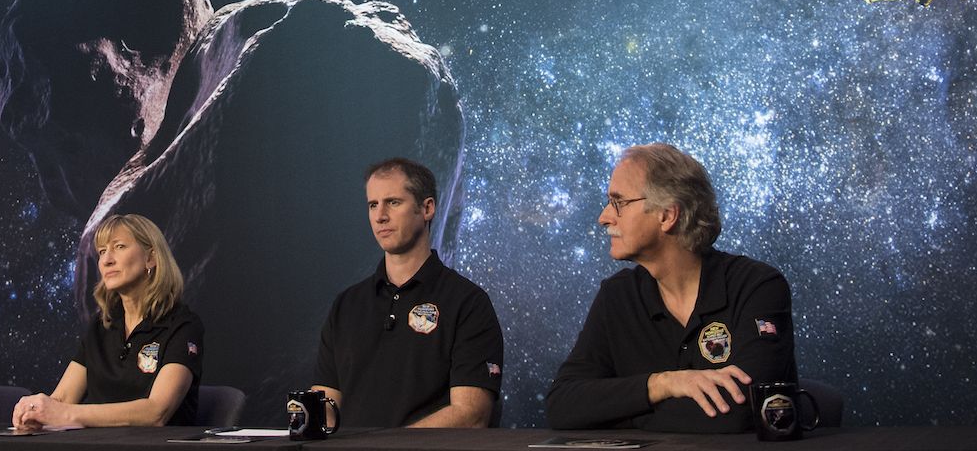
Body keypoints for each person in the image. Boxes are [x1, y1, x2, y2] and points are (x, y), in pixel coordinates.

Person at [543, 143, 798, 432]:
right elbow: (562, 406)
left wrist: (619, 412)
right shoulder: (617, 296)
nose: (604, 217)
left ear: (667, 215)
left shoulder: (757, 287)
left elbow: (748, 409)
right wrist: (662, 384)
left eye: (619, 202)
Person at [309, 157, 503, 428]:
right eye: (373, 205)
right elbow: (325, 407)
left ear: (427, 208)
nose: (380, 216)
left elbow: (471, 415)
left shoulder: (467, 303)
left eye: (393, 202)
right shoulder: (346, 306)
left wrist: (385, 446)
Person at [12, 214, 203, 429]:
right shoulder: (100, 326)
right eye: (102, 251)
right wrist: (35, 412)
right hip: (98, 443)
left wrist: (68, 414)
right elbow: (63, 399)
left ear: (151, 258)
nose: (106, 260)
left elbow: (156, 412)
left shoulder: (182, 326)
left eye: (119, 247)